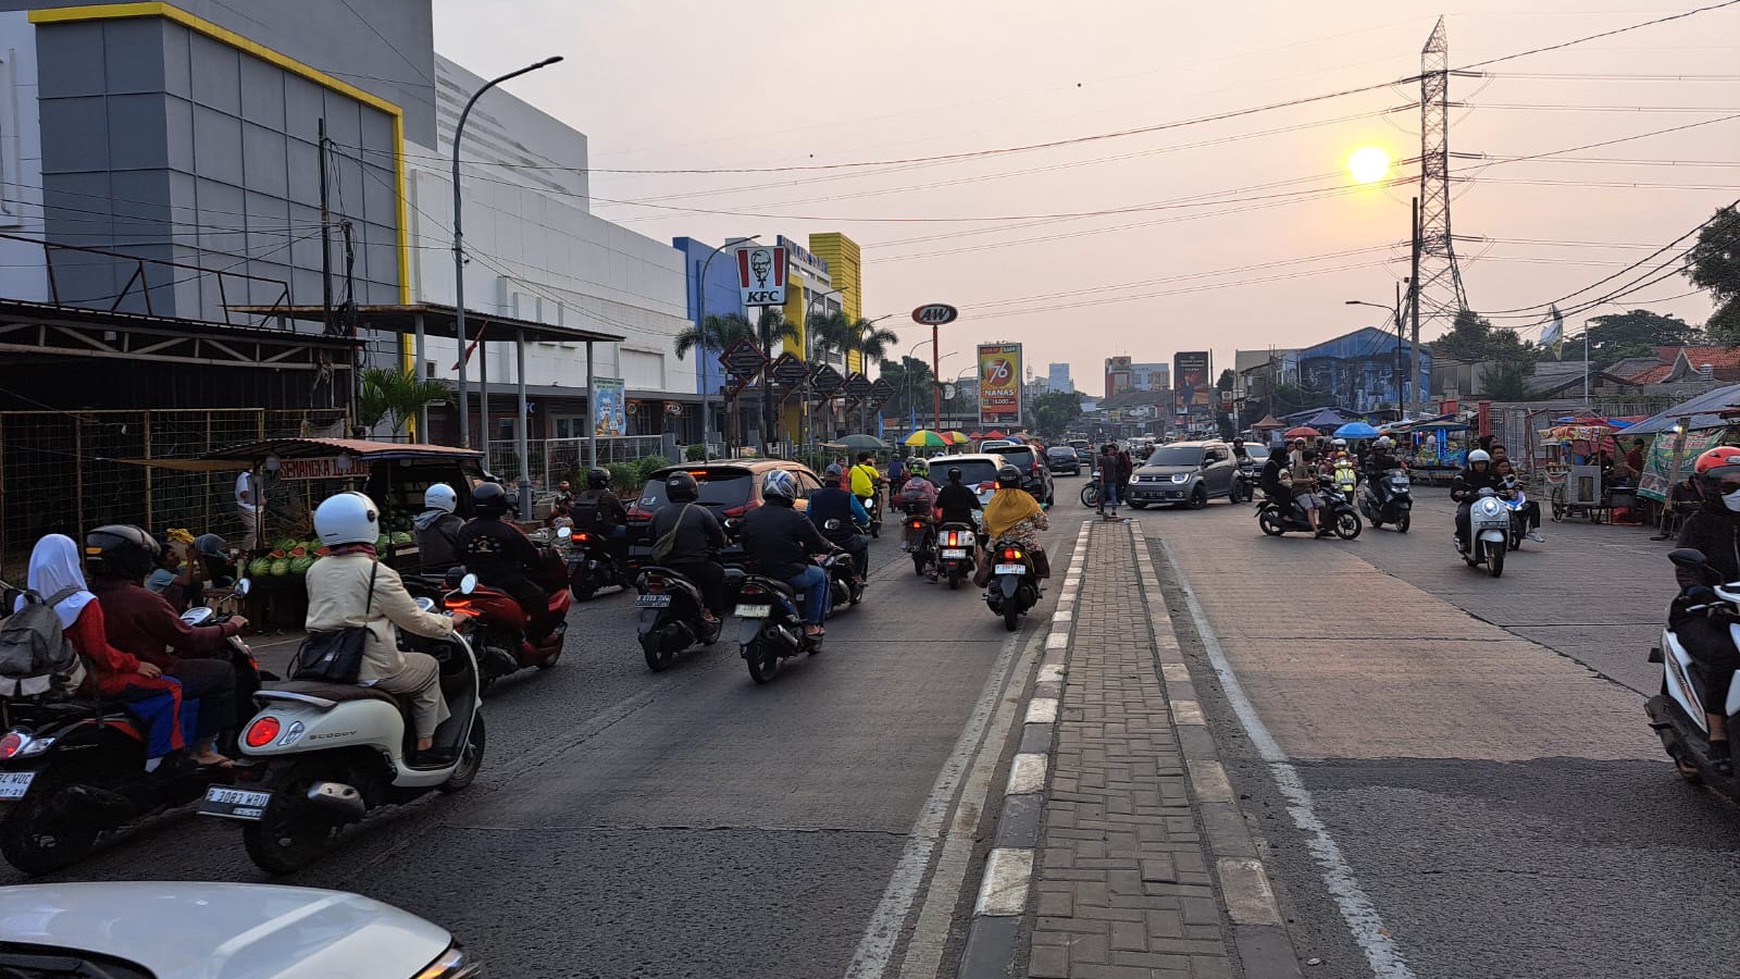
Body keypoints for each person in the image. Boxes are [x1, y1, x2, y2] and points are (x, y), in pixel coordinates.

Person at [18, 534, 200, 766]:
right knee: (170, 688)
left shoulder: (25, 602)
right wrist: (135, 664)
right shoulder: (82, 602)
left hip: (44, 682)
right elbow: (98, 651)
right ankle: (160, 760)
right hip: (88, 680)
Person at [305, 492, 456, 762]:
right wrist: (449, 622)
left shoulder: (316, 569)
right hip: (369, 665)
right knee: (429, 667)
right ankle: (425, 745)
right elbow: (415, 620)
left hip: (321, 661)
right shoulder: (377, 572)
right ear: (369, 523)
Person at [84, 524, 246, 767]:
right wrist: (231, 626)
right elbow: (189, 639)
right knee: (221, 673)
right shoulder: (143, 599)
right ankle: (202, 750)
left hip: (96, 675)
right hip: (148, 670)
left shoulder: (82, 596)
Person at [1670, 445, 1740, 772]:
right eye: (1728, 486)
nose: (1737, 492)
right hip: (1704, 611)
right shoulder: (1698, 524)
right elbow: (1686, 565)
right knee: (1727, 654)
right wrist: (1698, 593)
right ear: (1706, 486)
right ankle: (1718, 734)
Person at [740, 469, 839, 639]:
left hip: (758, 573)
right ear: (789, 490)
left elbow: (745, 544)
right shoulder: (796, 518)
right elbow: (817, 543)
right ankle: (812, 624)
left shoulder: (750, 516)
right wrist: (829, 546)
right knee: (820, 576)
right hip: (789, 572)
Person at [458, 481, 558, 642]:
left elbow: (458, 554)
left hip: (474, 583)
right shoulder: (508, 530)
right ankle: (542, 636)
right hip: (508, 582)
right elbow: (532, 556)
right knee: (538, 597)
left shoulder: (465, 529)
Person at [648, 472, 727, 623]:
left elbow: (652, 537)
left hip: (665, 566)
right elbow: (718, 537)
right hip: (694, 565)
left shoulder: (659, 513)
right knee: (717, 573)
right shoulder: (701, 512)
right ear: (693, 489)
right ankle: (708, 611)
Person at [981, 463, 1051, 581]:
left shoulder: (994, 501)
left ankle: (985, 581)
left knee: (986, 563)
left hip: (998, 544)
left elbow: (985, 526)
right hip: (1026, 545)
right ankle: (1037, 583)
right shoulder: (1026, 499)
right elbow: (1043, 523)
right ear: (1019, 481)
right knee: (1040, 560)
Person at [807, 469, 872, 583]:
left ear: (825, 478)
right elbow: (863, 517)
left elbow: (809, 516)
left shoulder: (814, 496)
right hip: (845, 539)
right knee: (863, 543)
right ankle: (857, 575)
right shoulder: (847, 496)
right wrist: (868, 519)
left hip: (821, 539)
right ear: (841, 478)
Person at [573, 466, 630, 567]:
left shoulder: (582, 495)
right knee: (629, 532)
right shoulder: (609, 496)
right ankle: (622, 562)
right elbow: (621, 514)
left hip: (583, 532)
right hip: (606, 531)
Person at [1450, 449, 1503, 552]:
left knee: (1507, 512)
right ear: (1472, 464)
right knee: (1463, 514)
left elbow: (1502, 485)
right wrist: (1459, 493)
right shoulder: (1464, 475)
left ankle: (1510, 536)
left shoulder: (1493, 474)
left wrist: (1508, 491)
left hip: (1491, 503)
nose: (1480, 466)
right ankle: (1461, 538)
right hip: (1471, 503)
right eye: (1477, 463)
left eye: (1483, 463)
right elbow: (1456, 489)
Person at [414, 483, 466, 574]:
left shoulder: (419, 522)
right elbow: (464, 548)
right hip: (452, 572)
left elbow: (418, 544)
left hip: (426, 571)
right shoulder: (458, 523)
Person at [1494, 460, 1545, 543]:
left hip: (1514, 501)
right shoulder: (1493, 477)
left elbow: (1520, 488)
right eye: (1502, 467)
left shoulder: (1512, 477)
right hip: (1499, 502)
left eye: (1506, 466)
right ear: (1496, 468)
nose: (1505, 469)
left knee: (1533, 505)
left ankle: (1532, 530)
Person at [1284, 448, 1327, 537]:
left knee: (1322, 506)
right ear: (1310, 458)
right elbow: (1295, 480)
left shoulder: (1308, 468)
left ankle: (1322, 526)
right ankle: (1316, 530)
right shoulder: (1299, 467)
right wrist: (1308, 480)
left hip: (1308, 491)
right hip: (1300, 493)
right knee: (1310, 508)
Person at [235, 470, 262, 549]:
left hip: (255, 509)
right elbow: (243, 493)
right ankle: (245, 551)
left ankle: (251, 551)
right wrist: (259, 498)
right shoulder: (244, 477)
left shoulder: (253, 477)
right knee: (253, 531)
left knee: (255, 532)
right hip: (247, 508)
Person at [1096, 444, 1122, 520]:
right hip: (1112, 479)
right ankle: (1114, 510)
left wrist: (1102, 481)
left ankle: (1102, 509)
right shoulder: (1113, 459)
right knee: (1113, 496)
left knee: (1103, 496)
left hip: (1105, 480)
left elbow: (1101, 470)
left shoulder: (1101, 459)